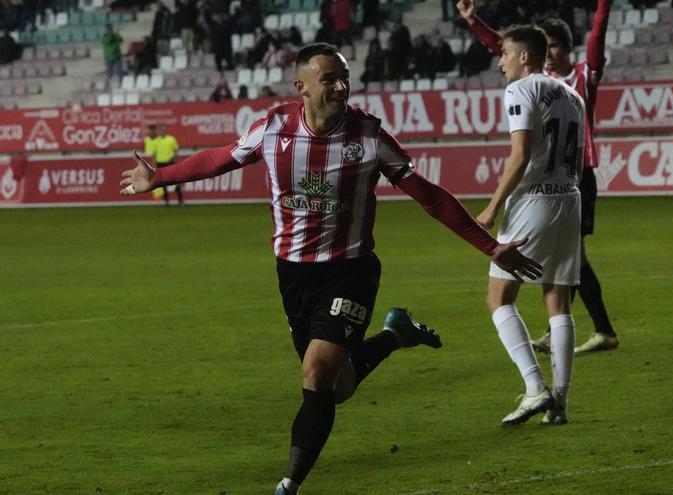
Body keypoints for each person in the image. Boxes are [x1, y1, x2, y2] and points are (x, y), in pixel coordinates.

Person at [119, 42, 542, 495]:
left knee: (317, 374)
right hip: (294, 275)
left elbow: (429, 195)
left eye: (345, 77)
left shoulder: (369, 137)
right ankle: (396, 334)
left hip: (351, 270)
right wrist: (159, 177)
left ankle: (290, 482)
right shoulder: (274, 128)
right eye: (329, 79)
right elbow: (221, 158)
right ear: (301, 86)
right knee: (336, 387)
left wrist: (490, 247)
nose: (341, 86)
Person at [459, 0, 620, 354]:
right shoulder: (540, 83)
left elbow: (597, 35)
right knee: (572, 259)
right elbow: (509, 48)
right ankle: (571, 328)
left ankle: (588, 329)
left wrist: (604, 5)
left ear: (564, 49)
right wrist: (475, 23)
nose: (549, 55)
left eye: (556, 46)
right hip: (548, 184)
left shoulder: (580, 78)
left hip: (573, 177)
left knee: (573, 259)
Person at [475, 25, 585, 426]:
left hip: (533, 201)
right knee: (558, 301)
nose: (500, 60)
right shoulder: (572, 94)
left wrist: (491, 207)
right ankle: (560, 402)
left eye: (504, 52)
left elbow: (520, 155)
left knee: (499, 298)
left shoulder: (521, 90)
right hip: (569, 199)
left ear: (525, 56)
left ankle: (535, 388)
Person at [143, 124, 183, 205]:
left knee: (176, 181)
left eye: (163, 129)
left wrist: (174, 158)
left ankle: (180, 201)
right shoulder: (156, 141)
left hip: (170, 163)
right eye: (160, 130)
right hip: (160, 164)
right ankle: (166, 201)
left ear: (166, 130)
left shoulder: (171, 139)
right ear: (159, 131)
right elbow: (153, 154)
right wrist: (154, 165)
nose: (162, 131)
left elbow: (176, 150)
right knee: (163, 183)